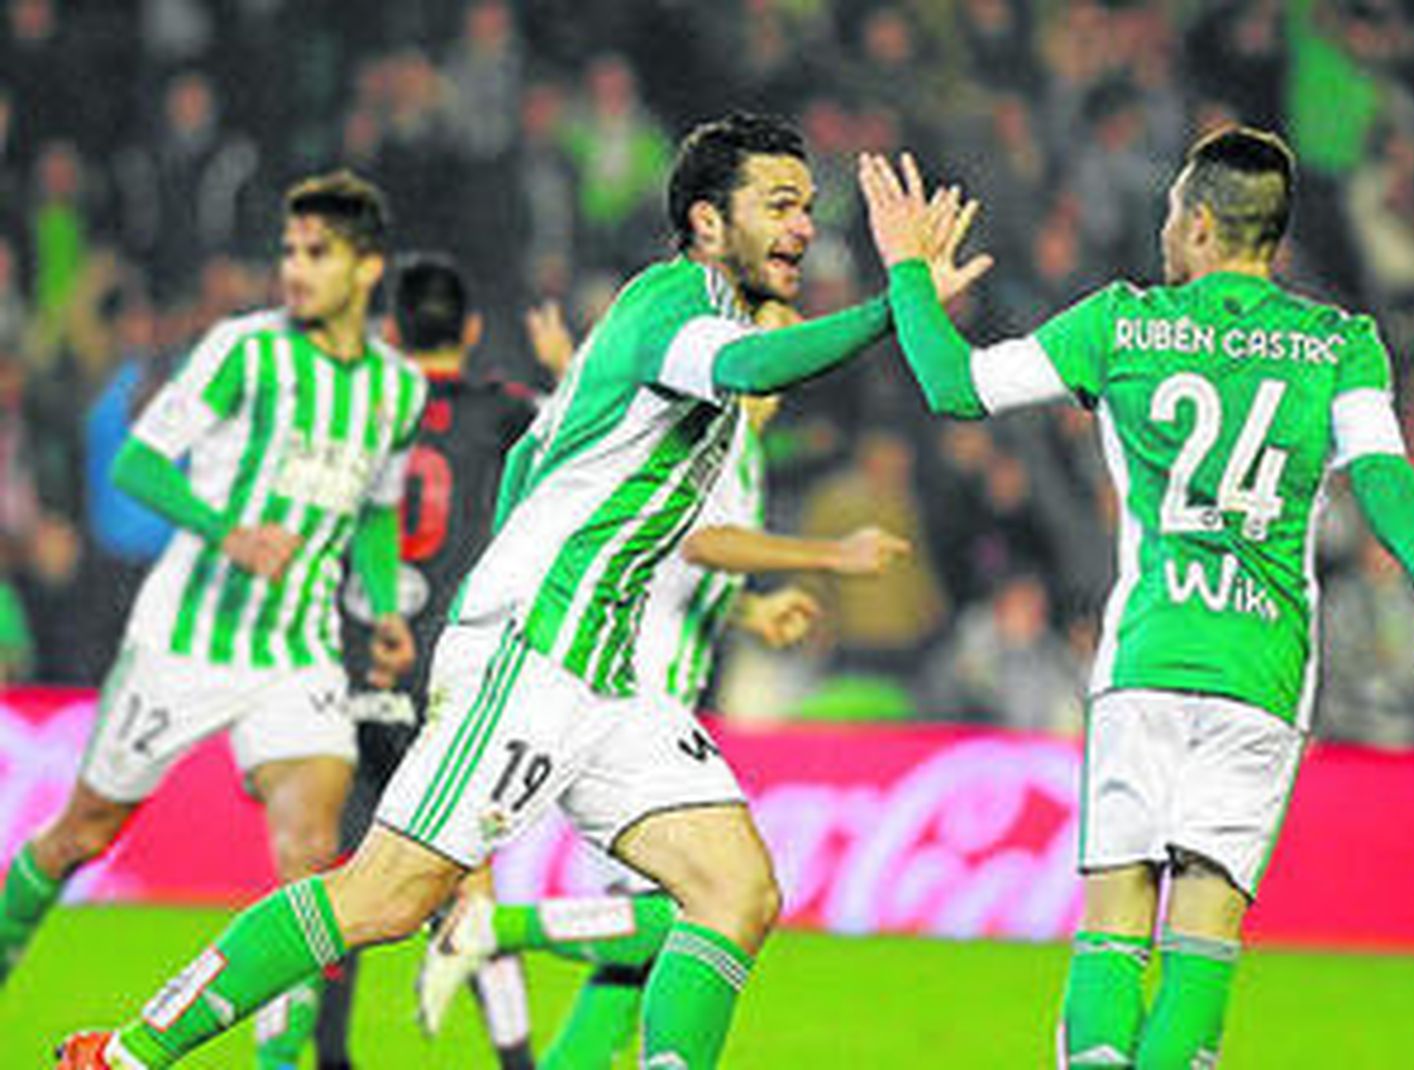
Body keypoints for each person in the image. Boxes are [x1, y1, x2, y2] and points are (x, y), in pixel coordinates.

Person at [55, 111, 985, 1070]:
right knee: (385, 894)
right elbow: (748, 366)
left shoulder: (670, 317)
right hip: (537, 653)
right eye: (780, 205)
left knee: (735, 891)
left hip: (604, 671)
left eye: (809, 207)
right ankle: (124, 1054)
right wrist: (900, 292)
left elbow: (527, 465)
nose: (804, 228)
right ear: (708, 221)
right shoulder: (676, 302)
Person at [857, 129, 1414, 1068]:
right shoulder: (1340, 345)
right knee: (1203, 946)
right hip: (1261, 675)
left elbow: (955, 386)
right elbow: (1385, 471)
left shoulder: (1119, 324)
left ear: (1195, 223)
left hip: (1146, 659)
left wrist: (907, 271)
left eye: (1166, 217)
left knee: (1113, 925)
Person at [414, 300, 910, 1068]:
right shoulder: (716, 428)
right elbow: (703, 539)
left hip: (648, 691)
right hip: (625, 699)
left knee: (636, 964)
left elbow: (672, 564)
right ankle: (489, 928)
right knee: (695, 913)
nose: (778, 353)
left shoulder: (735, 445)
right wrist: (831, 555)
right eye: (764, 335)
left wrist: (751, 613)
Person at [0, 171, 425, 1065]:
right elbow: (141, 465)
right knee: (83, 833)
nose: (295, 269)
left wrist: (383, 607)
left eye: (318, 253)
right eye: (289, 250)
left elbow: (377, 511)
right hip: (183, 640)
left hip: (298, 649)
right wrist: (226, 531)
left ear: (366, 268)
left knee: (310, 858)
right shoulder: (244, 351)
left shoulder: (395, 389)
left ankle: (278, 1061)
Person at [313, 253, 539, 1070]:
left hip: (358, 662)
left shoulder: (357, 411)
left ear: (390, 331)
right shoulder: (507, 410)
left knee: (345, 868)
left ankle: (329, 1056)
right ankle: (517, 1061)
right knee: (464, 870)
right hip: (451, 670)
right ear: (472, 331)